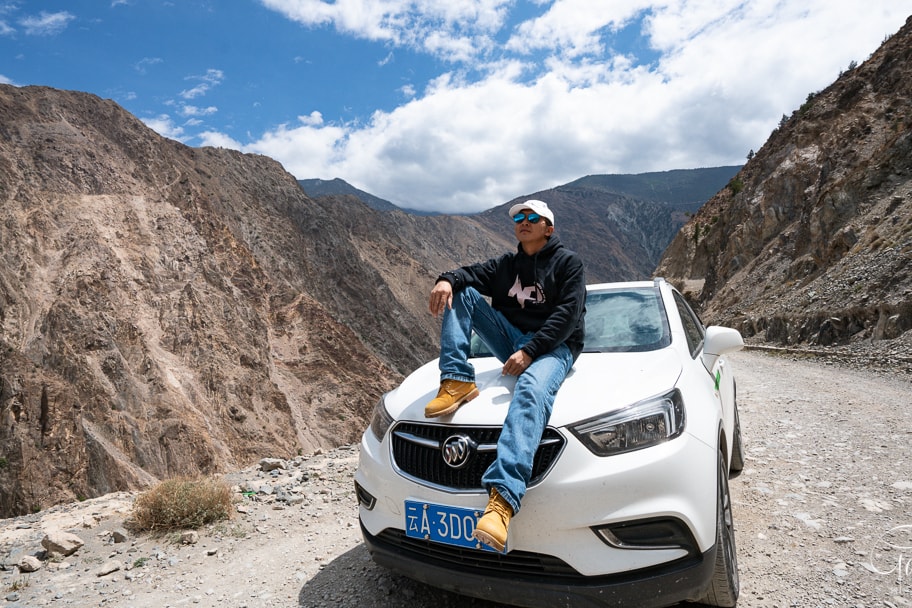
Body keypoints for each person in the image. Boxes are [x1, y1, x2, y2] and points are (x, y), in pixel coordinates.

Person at [426, 199, 586, 552]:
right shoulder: (505, 266)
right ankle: (456, 379)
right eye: (519, 218)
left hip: (554, 347)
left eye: (532, 217)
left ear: (548, 228)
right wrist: (446, 280)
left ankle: (502, 500)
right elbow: (468, 274)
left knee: (530, 389)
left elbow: (568, 315)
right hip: (511, 339)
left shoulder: (568, 263)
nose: (523, 221)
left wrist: (531, 352)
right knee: (463, 292)